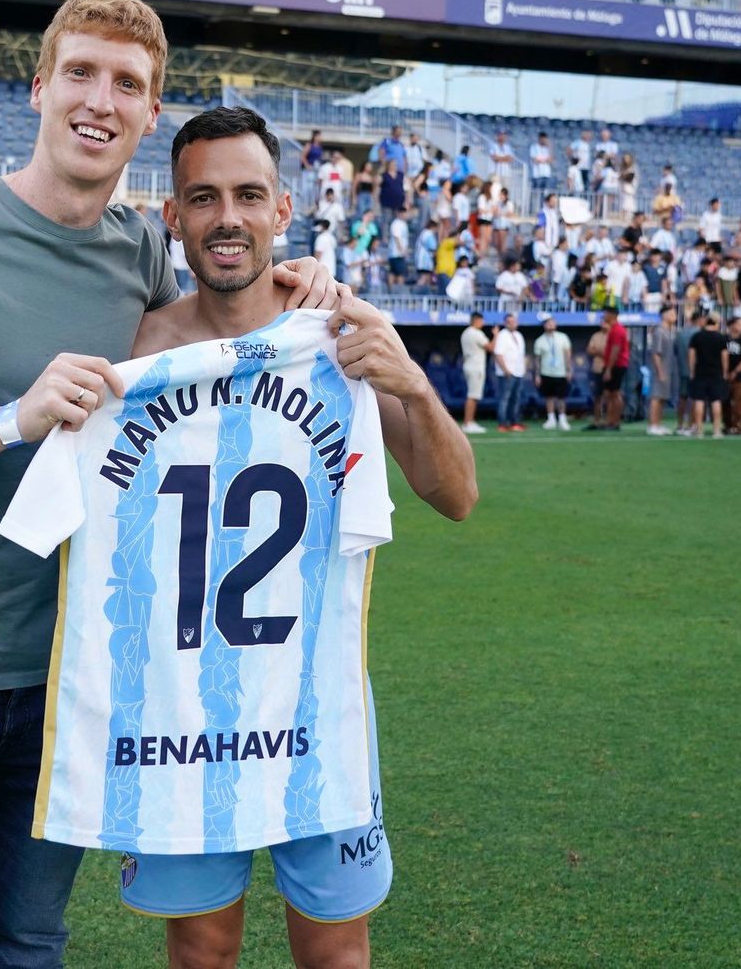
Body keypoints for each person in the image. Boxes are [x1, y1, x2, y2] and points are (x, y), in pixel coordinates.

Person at [0, 0, 337, 969]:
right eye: (82, 73)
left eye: (127, 84)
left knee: (27, 948)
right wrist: (12, 418)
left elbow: (204, 365)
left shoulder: (138, 250)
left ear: (147, 112)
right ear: (40, 87)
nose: (101, 100)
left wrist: (295, 294)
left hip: (68, 680)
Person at [88, 104, 476, 969]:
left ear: (282, 210)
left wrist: (411, 381)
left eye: (248, 195)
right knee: (200, 950)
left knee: (336, 953)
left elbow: (456, 496)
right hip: (181, 711)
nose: (228, 217)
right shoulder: (136, 355)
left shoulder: (339, 338)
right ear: (174, 217)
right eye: (204, 197)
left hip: (317, 708)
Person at [688, 313, 729, 438]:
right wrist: (725, 373)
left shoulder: (696, 336)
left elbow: (691, 356)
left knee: (699, 401)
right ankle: (716, 430)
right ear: (716, 323)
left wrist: (691, 371)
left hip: (700, 372)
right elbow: (724, 357)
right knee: (716, 401)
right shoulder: (721, 338)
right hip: (716, 373)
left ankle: (699, 430)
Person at [533, 316, 572, 430]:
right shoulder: (539, 340)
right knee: (549, 397)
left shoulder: (563, 337)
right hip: (546, 372)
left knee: (561, 397)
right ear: (544, 325)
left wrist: (569, 370)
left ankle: (562, 418)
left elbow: (568, 355)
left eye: (552, 322)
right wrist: (537, 374)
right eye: (548, 323)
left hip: (561, 372)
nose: (550, 325)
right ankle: (551, 419)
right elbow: (537, 359)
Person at [646, 304, 679, 436]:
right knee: (656, 397)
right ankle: (652, 424)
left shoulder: (668, 331)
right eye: (671, 313)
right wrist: (660, 371)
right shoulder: (659, 331)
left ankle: (658, 423)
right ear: (664, 315)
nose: (674, 316)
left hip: (667, 369)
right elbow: (656, 353)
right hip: (660, 370)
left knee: (662, 398)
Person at [492, 311, 527, 432]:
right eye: (509, 322)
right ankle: (502, 423)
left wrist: (523, 369)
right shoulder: (502, 335)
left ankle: (514, 422)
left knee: (516, 398)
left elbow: (521, 355)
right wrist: (505, 370)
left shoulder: (519, 335)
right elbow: (498, 354)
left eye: (514, 321)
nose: (512, 324)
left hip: (518, 372)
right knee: (504, 398)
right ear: (505, 323)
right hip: (506, 372)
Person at [460, 311, 492, 433]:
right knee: (473, 395)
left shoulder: (465, 333)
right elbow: (491, 347)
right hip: (476, 367)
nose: (483, 323)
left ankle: (470, 421)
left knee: (473, 395)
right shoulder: (477, 333)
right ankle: (468, 422)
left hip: (469, 365)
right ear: (476, 320)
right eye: (482, 320)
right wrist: (496, 335)